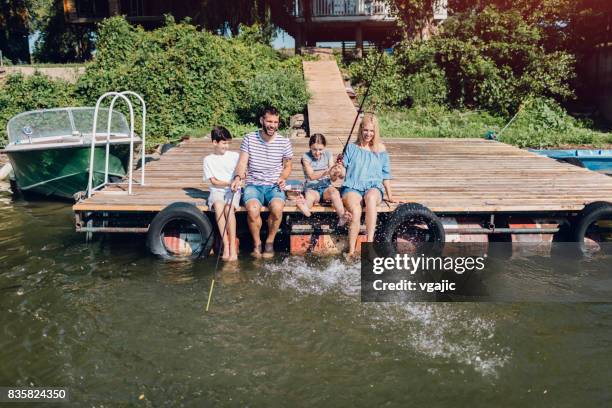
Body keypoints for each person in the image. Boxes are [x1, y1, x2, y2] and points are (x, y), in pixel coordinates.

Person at [230, 106, 293, 258]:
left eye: (276, 122)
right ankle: (257, 243)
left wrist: (282, 177)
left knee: (277, 208)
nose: (273, 125)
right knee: (252, 209)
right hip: (253, 184)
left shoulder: (284, 142)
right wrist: (238, 177)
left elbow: (288, 166)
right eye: (269, 121)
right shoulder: (249, 138)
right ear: (261, 121)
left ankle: (270, 242)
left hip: (274, 185)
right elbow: (242, 162)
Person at [340, 113, 397, 257]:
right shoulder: (351, 148)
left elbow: (385, 174)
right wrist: (338, 168)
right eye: (366, 130)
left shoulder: (381, 149)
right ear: (360, 129)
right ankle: (351, 251)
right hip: (352, 186)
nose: (368, 134)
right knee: (356, 210)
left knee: (370, 198)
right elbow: (342, 173)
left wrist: (390, 195)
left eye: (372, 131)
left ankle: (369, 245)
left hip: (373, 186)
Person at [296, 133, 351, 226]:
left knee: (335, 192)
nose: (317, 152)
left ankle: (342, 216)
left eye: (320, 149)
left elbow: (332, 179)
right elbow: (311, 176)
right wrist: (327, 171)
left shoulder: (328, 154)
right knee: (309, 196)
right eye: (314, 149)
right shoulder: (306, 157)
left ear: (324, 147)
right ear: (310, 147)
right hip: (312, 188)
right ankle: (305, 209)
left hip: (326, 187)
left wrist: (336, 172)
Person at [203, 126, 241, 262]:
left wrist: (235, 183)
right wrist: (227, 183)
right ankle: (226, 245)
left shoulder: (235, 156)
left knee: (228, 208)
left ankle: (232, 248)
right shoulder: (208, 159)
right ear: (215, 142)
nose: (227, 146)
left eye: (228, 143)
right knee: (219, 206)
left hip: (233, 190)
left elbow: (242, 174)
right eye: (224, 143)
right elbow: (213, 181)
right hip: (217, 190)